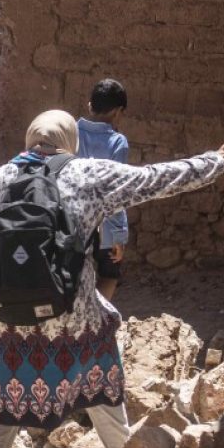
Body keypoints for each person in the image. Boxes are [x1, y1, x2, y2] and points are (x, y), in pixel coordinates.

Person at [0, 110, 224, 448]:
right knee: (102, 389)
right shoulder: (90, 175)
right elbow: (154, 180)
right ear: (70, 141)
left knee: (0, 406)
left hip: (7, 322)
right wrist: (212, 163)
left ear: (31, 139)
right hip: (73, 318)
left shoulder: (1, 179)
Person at [78, 79, 130, 301]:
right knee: (109, 274)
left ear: (90, 106)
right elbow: (115, 193)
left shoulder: (70, 131)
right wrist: (117, 236)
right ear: (119, 112)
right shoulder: (118, 142)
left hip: (72, 221)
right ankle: (98, 323)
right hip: (103, 224)